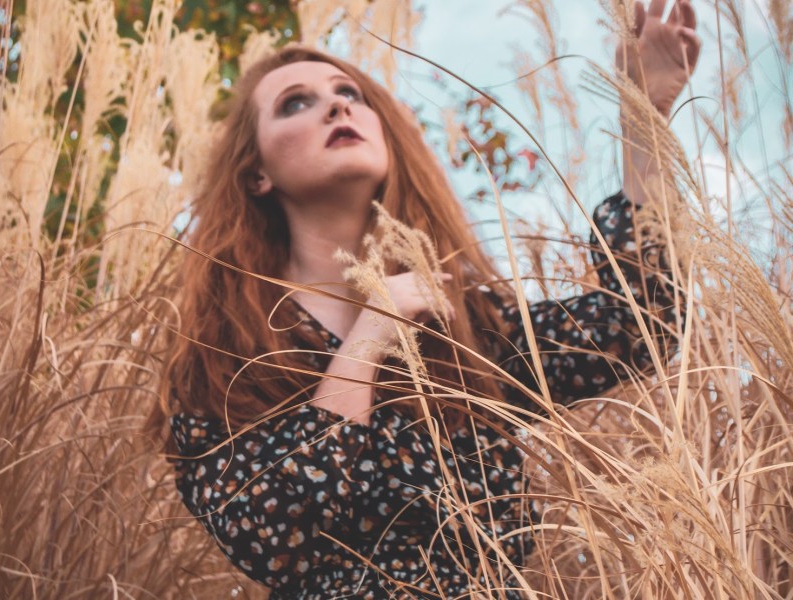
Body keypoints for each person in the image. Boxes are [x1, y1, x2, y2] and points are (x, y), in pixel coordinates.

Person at [155, 1, 700, 597]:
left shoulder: (462, 329)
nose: (338, 105)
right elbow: (276, 532)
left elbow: (640, 325)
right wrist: (369, 337)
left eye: (350, 93)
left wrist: (643, 117)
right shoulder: (222, 360)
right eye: (295, 103)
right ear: (256, 173)